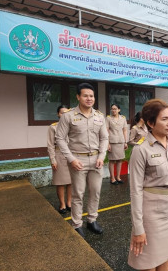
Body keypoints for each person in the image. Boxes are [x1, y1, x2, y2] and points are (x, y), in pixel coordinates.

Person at [128, 99, 168, 271]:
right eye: (164, 119)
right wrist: (138, 228)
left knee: (166, 255)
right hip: (151, 213)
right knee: (148, 261)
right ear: (150, 122)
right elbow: (135, 191)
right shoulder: (141, 150)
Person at [56, 83, 108, 238]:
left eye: (91, 96)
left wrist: (101, 156)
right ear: (78, 97)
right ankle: (77, 224)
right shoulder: (69, 116)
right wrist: (71, 159)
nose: (89, 98)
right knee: (78, 194)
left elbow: (104, 137)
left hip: (96, 159)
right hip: (77, 159)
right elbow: (60, 138)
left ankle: (92, 220)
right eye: (85, 95)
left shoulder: (99, 116)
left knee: (96, 191)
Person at [47, 105, 72, 214]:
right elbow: (50, 145)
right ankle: (62, 204)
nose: (64, 115)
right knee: (60, 182)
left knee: (71, 181)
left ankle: (69, 202)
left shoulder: (73, 126)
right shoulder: (53, 127)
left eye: (66, 113)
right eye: (62, 113)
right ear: (58, 114)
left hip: (72, 155)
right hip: (59, 155)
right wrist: (53, 160)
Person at [106, 104, 128, 185]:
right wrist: (107, 143)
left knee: (120, 160)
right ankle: (112, 178)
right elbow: (106, 130)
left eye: (115, 109)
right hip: (112, 142)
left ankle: (118, 177)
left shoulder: (123, 118)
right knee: (112, 160)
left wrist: (125, 141)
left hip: (121, 141)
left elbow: (125, 130)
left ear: (119, 110)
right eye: (112, 109)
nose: (113, 110)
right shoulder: (108, 118)